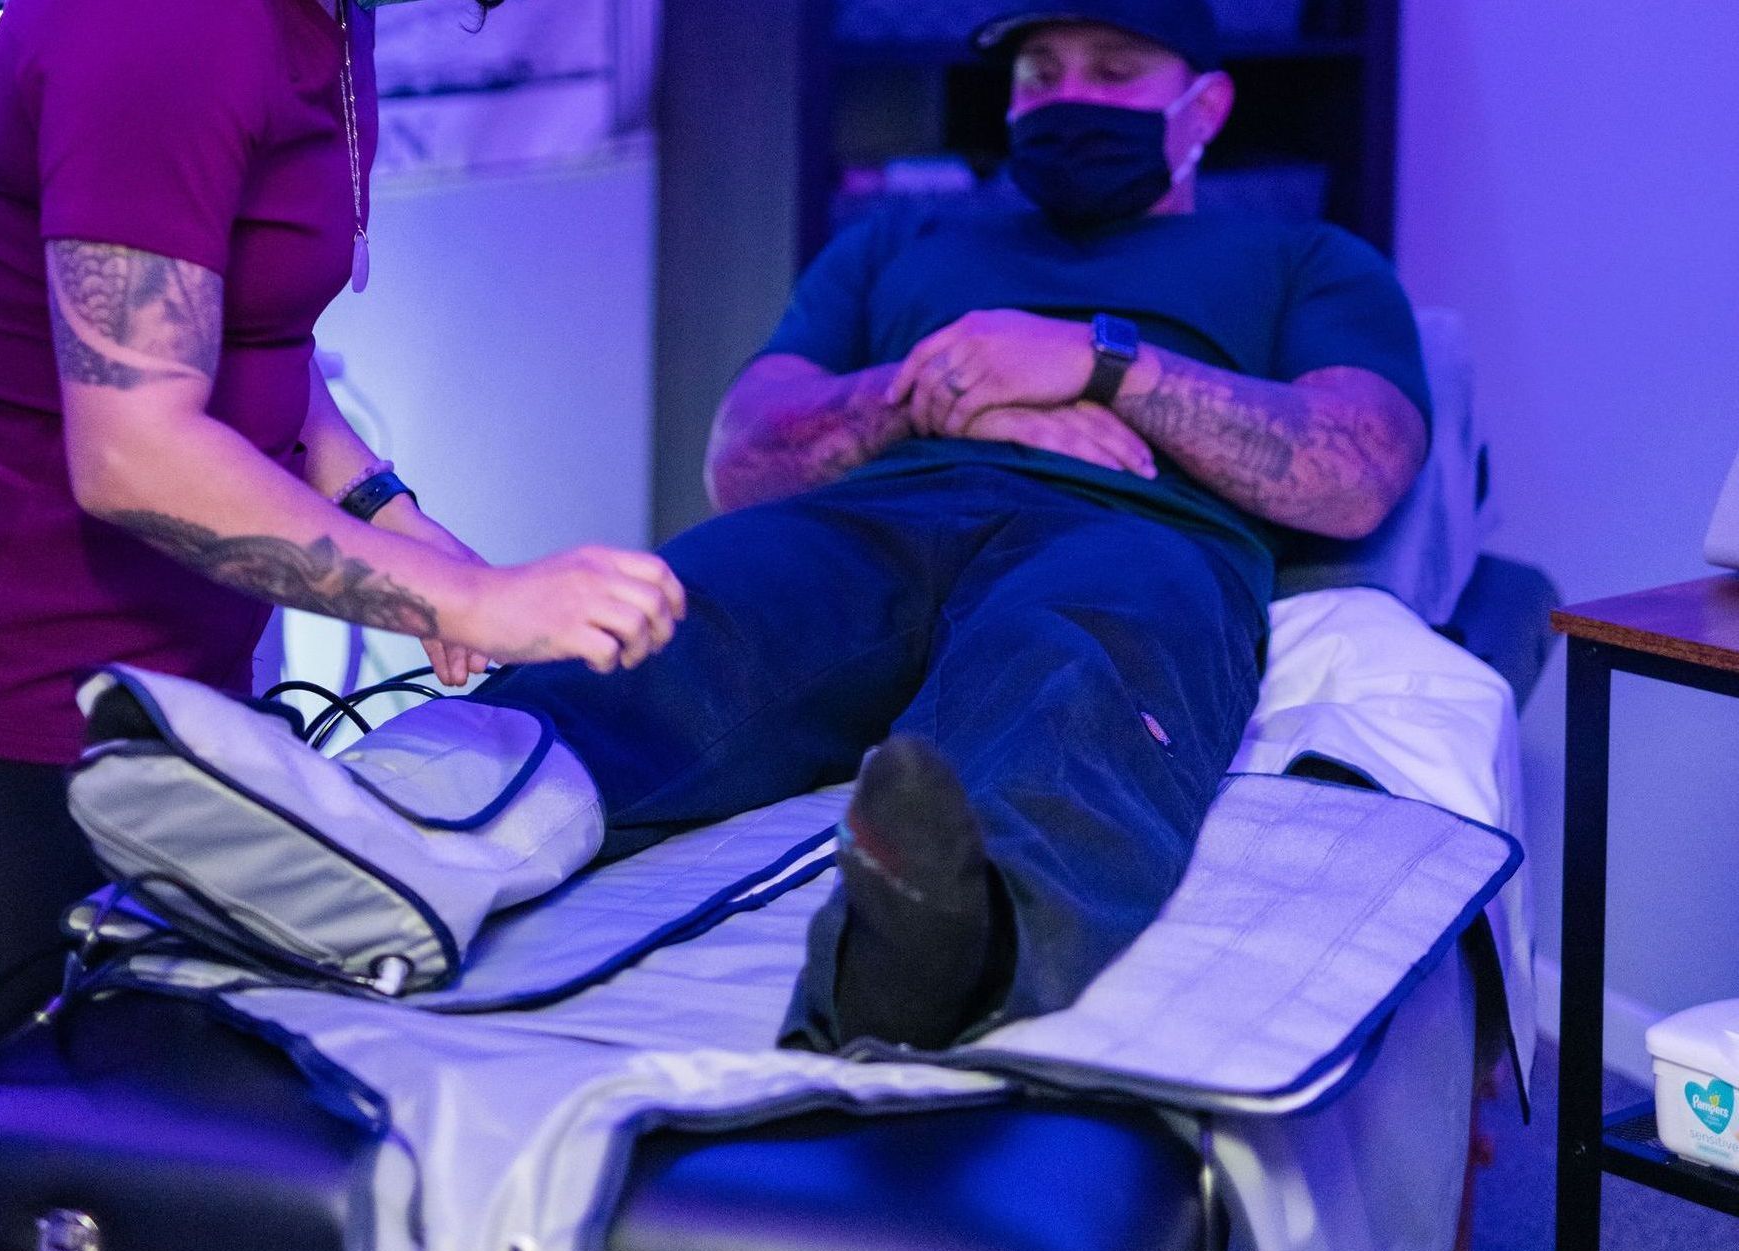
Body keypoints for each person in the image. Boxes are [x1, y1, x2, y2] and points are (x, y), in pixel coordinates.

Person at [0, 0, 684, 1251]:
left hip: (146, 702)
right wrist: (477, 603)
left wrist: (421, 555)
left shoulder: (315, 24)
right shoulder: (168, 23)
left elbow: (258, 359)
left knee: (109, 1236)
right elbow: (137, 445)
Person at [475, 0, 1430, 1052]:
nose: (1068, 98)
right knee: (684, 622)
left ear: (1204, 105)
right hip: (871, 513)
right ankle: (424, 817)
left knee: (1069, 666)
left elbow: (1355, 470)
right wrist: (951, 382)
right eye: (1039, 75)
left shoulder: (1305, 258)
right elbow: (742, 457)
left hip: (1131, 527)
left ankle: (938, 949)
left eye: (1113, 72)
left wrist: (1101, 365)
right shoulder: (897, 241)